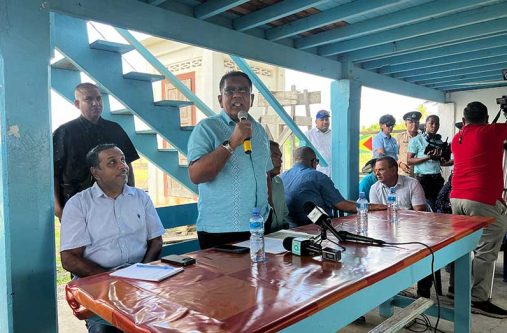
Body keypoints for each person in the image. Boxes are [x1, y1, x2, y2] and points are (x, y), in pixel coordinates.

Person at [60, 144, 164, 333]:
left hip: (140, 280)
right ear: (95, 172)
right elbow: (69, 258)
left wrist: (142, 273)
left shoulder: (140, 197)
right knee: (104, 330)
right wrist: (110, 280)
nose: (123, 166)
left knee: (165, 321)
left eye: (123, 160)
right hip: (99, 284)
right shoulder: (79, 204)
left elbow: (156, 241)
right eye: (112, 162)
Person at [187, 71, 272, 249]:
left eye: (243, 91)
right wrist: (232, 143)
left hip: (261, 225)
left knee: (263, 276)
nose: (237, 95)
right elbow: (196, 175)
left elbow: (266, 174)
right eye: (230, 91)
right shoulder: (207, 128)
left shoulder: (260, 131)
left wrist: (271, 212)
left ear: (252, 98)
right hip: (221, 230)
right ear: (220, 99)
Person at [449, 101, 507, 318]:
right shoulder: (489, 131)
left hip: (457, 199)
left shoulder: (458, 137)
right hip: (481, 199)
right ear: (486, 117)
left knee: (463, 246)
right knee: (486, 249)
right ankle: (478, 299)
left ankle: (456, 288)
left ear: (464, 120)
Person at [53, 82, 139, 220]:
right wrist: (58, 209)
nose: (95, 103)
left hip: (115, 203)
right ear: (77, 104)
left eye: (98, 98)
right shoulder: (65, 132)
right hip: (76, 205)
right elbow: (54, 173)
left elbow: (127, 165)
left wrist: (131, 196)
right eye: (89, 99)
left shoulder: (115, 129)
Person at [369, 156, 430, 298]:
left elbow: (419, 212)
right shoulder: (375, 188)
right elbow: (377, 216)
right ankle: (389, 291)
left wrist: (393, 212)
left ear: (393, 170)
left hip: (415, 231)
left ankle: (423, 294)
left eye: (381, 169)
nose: (377, 173)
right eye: (376, 170)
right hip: (388, 231)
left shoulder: (412, 184)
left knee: (426, 254)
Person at [281, 147, 385, 227]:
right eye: (316, 162)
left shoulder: (282, 176)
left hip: (289, 229)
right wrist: (378, 207)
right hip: (316, 229)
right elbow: (342, 205)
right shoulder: (317, 176)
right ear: (313, 162)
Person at [407, 115, 452, 210]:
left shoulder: (439, 141)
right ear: (425, 125)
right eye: (431, 123)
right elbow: (409, 160)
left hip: (437, 178)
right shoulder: (416, 140)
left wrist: (452, 161)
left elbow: (442, 163)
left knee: (438, 206)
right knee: (426, 208)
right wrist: (428, 157)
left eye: (436, 124)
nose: (434, 126)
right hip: (423, 179)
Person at [267, 140, 289, 233]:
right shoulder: (252, 184)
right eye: (275, 156)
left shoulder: (279, 182)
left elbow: (284, 213)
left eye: (280, 156)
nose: (281, 161)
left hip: (279, 237)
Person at [306, 109, 332, 176]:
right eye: (322, 120)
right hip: (317, 174)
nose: (325, 122)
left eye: (327, 119)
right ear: (316, 122)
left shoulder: (334, 134)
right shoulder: (309, 135)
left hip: (333, 174)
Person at [396, 111, 421, 177]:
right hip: (404, 173)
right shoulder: (400, 137)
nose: (414, 124)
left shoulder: (423, 138)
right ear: (406, 124)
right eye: (411, 122)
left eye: (416, 122)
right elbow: (394, 154)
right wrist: (400, 164)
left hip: (420, 173)